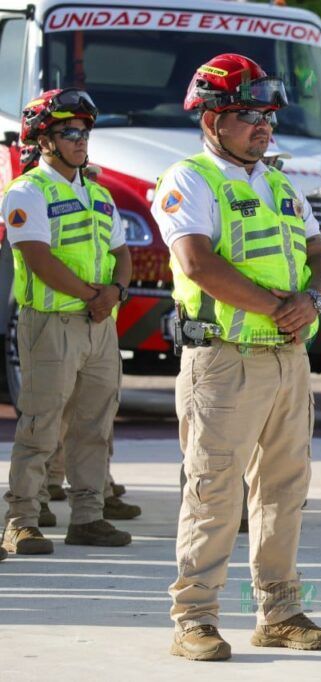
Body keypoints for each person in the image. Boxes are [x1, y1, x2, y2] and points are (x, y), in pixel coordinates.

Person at [154, 53, 321, 660]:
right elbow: (198, 264)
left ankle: (279, 610)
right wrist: (276, 307)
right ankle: (195, 618)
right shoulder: (188, 180)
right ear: (211, 119)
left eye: (267, 114)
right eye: (248, 114)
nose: (265, 124)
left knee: (285, 489)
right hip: (222, 362)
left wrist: (311, 299)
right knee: (213, 491)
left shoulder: (280, 182)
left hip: (286, 362)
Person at [2, 89, 133, 557]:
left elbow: (122, 253)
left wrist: (114, 293)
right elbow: (37, 258)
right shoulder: (26, 191)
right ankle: (21, 520)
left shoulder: (98, 193)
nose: (82, 139)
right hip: (52, 323)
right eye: (70, 131)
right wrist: (96, 297)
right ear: (44, 140)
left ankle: (88, 517)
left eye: (85, 131)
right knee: (41, 423)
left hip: (99, 325)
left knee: (94, 425)